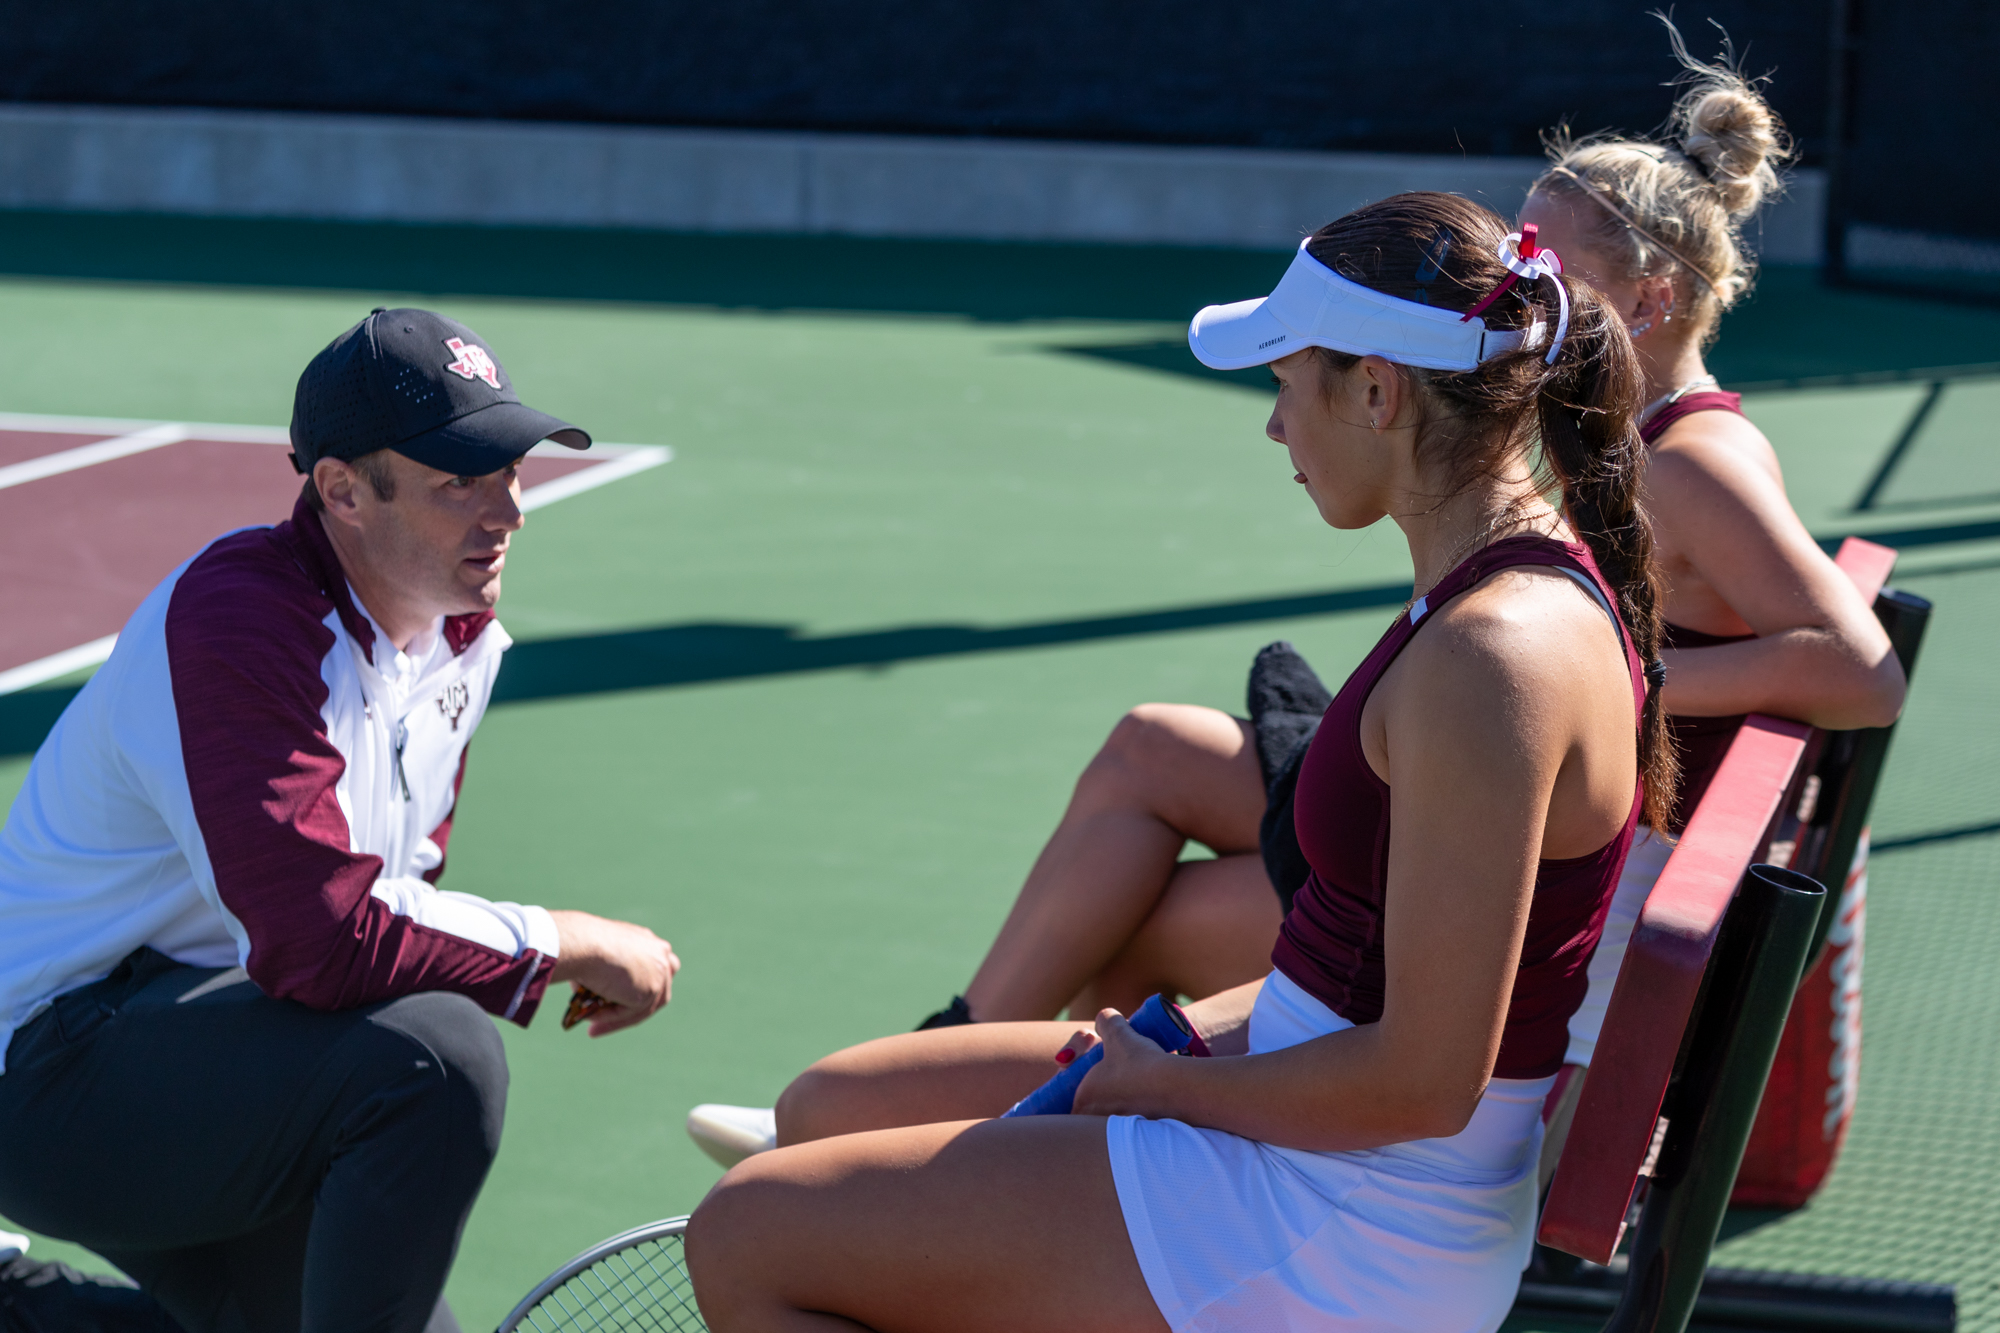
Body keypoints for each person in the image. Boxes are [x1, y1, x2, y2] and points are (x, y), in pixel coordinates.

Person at [682, 33, 1905, 1172]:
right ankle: (932, 1083)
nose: (1512, 290)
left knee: (1120, 933)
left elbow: (1860, 672)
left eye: (1544, 268)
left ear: (1639, 300)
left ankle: (928, 1098)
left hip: (1508, 900)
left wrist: (1617, 694)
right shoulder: (1585, 472)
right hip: (1520, 859)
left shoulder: (1680, 465)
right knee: (1149, 759)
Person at [686, 191, 1666, 1332]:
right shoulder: (1492, 588)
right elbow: (1356, 979)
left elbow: (1426, 1079)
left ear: (1375, 389)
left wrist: (1169, 1087)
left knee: (746, 1233)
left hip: (1351, 1220)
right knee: (823, 1106)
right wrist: (1184, 1039)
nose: (1272, 428)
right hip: (1327, 1131)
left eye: (1281, 384)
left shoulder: (1489, 655)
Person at [0, 309, 681, 1333]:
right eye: (461, 478)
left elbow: (397, 906)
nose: (507, 511)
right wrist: (562, 940)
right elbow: (321, 941)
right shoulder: (240, 622)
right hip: (50, 1079)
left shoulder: (461, 647)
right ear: (341, 490)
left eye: (510, 469)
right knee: (436, 1058)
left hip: (207, 1055)